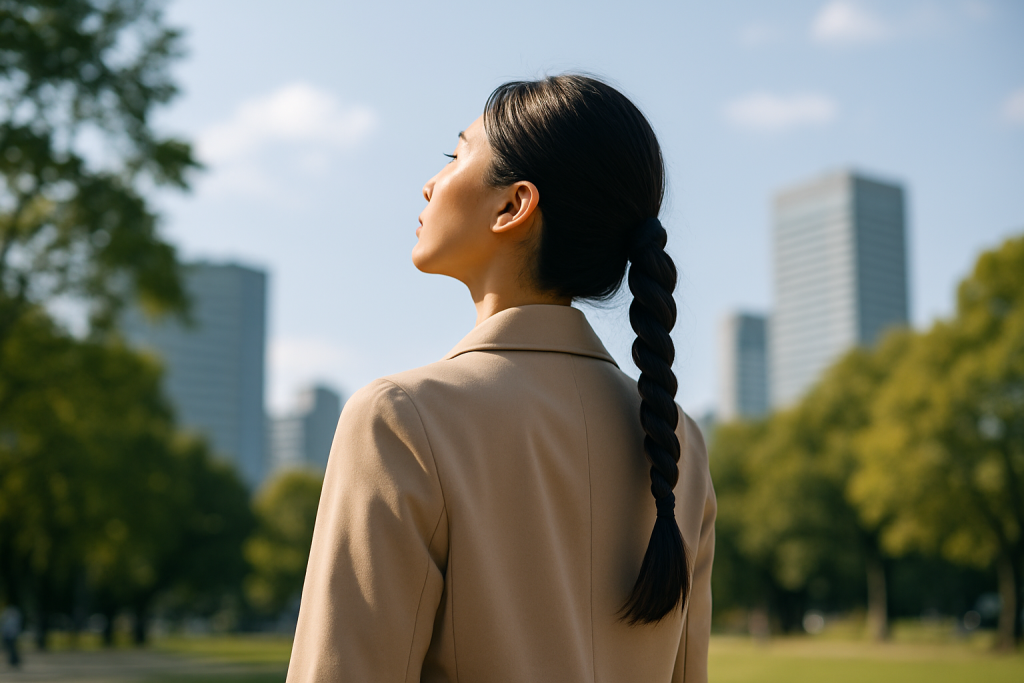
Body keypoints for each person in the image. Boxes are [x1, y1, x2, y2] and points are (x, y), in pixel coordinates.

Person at [288, 74, 716, 682]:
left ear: (513, 206)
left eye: (454, 155)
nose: (430, 184)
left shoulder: (401, 419)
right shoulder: (679, 445)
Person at [1, 603, 21, 669]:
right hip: (10, 634)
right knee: (11, 648)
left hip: (10, 635)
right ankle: (13, 660)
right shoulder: (11, 615)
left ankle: (14, 660)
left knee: (12, 648)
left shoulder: (9, 615)